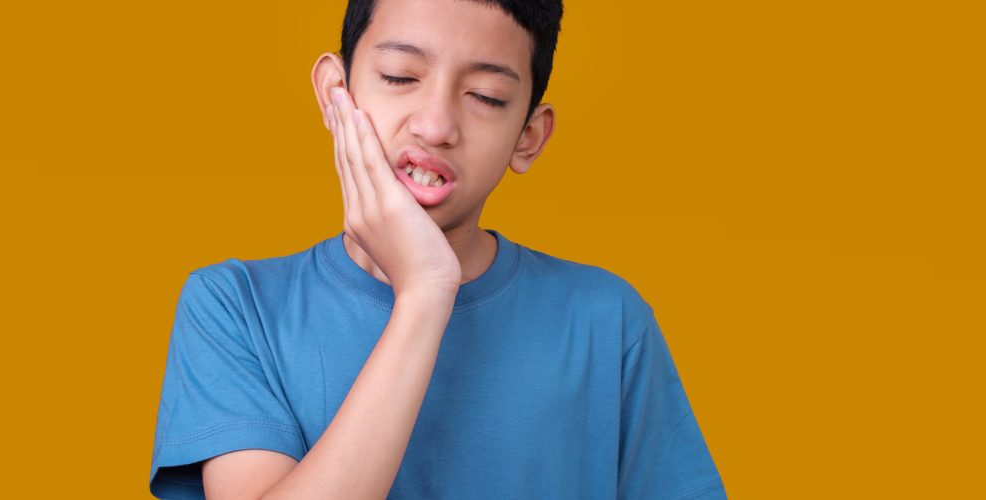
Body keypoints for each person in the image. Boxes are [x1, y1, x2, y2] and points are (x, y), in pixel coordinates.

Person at [149, 0, 726, 498]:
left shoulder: (606, 319)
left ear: (528, 136)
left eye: (486, 95)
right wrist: (424, 293)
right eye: (401, 76)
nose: (435, 124)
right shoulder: (236, 306)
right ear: (336, 94)